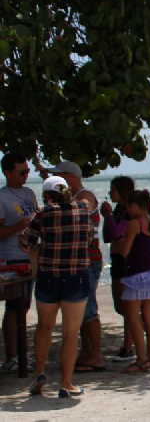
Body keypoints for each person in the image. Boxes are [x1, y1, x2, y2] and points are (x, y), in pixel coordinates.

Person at [22, 176, 91, 398]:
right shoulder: (83, 210)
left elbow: (26, 242)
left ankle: (40, 372)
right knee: (71, 334)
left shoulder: (43, 214)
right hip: (76, 277)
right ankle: (66, 383)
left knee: (44, 327)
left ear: (47, 195)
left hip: (48, 277)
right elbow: (90, 238)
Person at [41, 161, 105, 372]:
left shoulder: (85, 196)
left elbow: (79, 208)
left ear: (70, 177)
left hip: (88, 259)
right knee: (82, 309)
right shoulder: (71, 198)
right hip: (78, 260)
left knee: (88, 308)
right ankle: (88, 354)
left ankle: (94, 355)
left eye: (60, 177)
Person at [120, 190, 150, 373]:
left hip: (136, 274)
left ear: (137, 206)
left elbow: (125, 251)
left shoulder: (134, 224)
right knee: (149, 316)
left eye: (129, 206)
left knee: (133, 318)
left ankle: (141, 359)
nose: (128, 210)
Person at [0, 153, 38, 372]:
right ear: (7, 173)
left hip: (28, 257)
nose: (26, 176)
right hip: (10, 258)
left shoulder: (29, 193)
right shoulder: (2, 197)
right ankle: (12, 356)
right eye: (21, 172)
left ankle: (20, 354)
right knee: (13, 307)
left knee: (23, 307)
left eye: (27, 171)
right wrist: (19, 225)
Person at [101, 176, 135, 360]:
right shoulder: (119, 210)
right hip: (117, 258)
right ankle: (139, 336)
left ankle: (128, 345)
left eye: (112, 190)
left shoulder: (128, 212)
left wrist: (107, 216)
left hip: (125, 260)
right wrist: (107, 217)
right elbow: (108, 236)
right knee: (120, 306)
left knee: (125, 306)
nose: (110, 193)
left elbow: (117, 233)